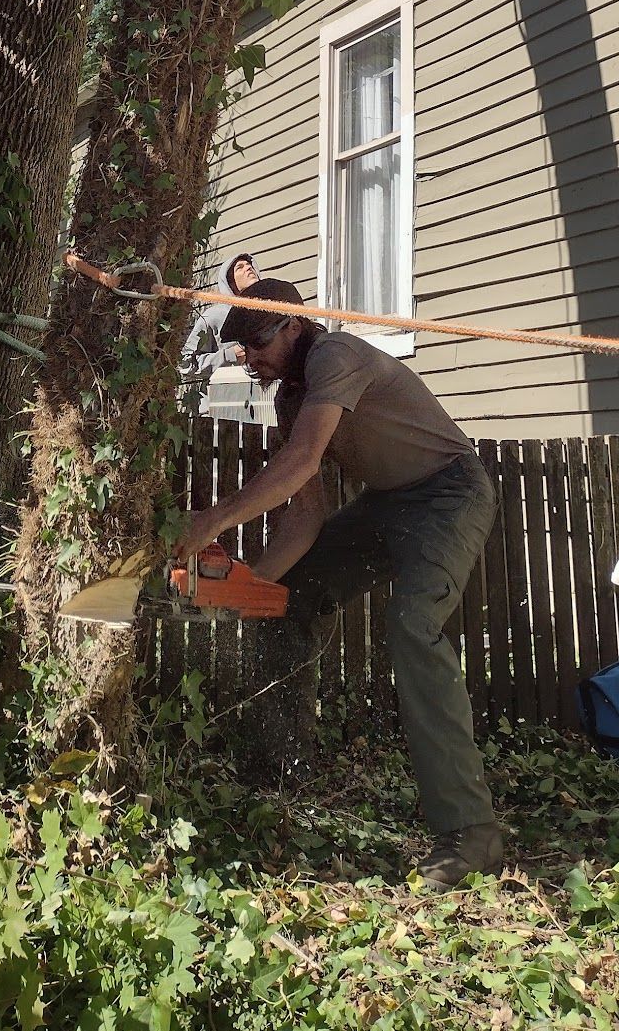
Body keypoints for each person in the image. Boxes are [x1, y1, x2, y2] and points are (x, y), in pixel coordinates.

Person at [177, 277, 503, 889]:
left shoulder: (336, 355)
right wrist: (249, 587)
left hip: (449, 495)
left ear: (295, 324)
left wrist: (217, 518)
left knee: (413, 626)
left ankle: (472, 834)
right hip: (388, 504)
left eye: (257, 340)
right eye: (240, 347)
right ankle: (282, 761)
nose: (249, 356)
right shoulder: (291, 399)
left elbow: (298, 464)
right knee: (293, 595)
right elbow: (305, 514)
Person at [180, 250, 276, 426]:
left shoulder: (269, 315)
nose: (248, 268)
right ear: (229, 282)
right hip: (224, 415)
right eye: (240, 267)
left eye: (250, 266)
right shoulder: (213, 316)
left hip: (266, 412)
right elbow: (185, 363)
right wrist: (228, 356)